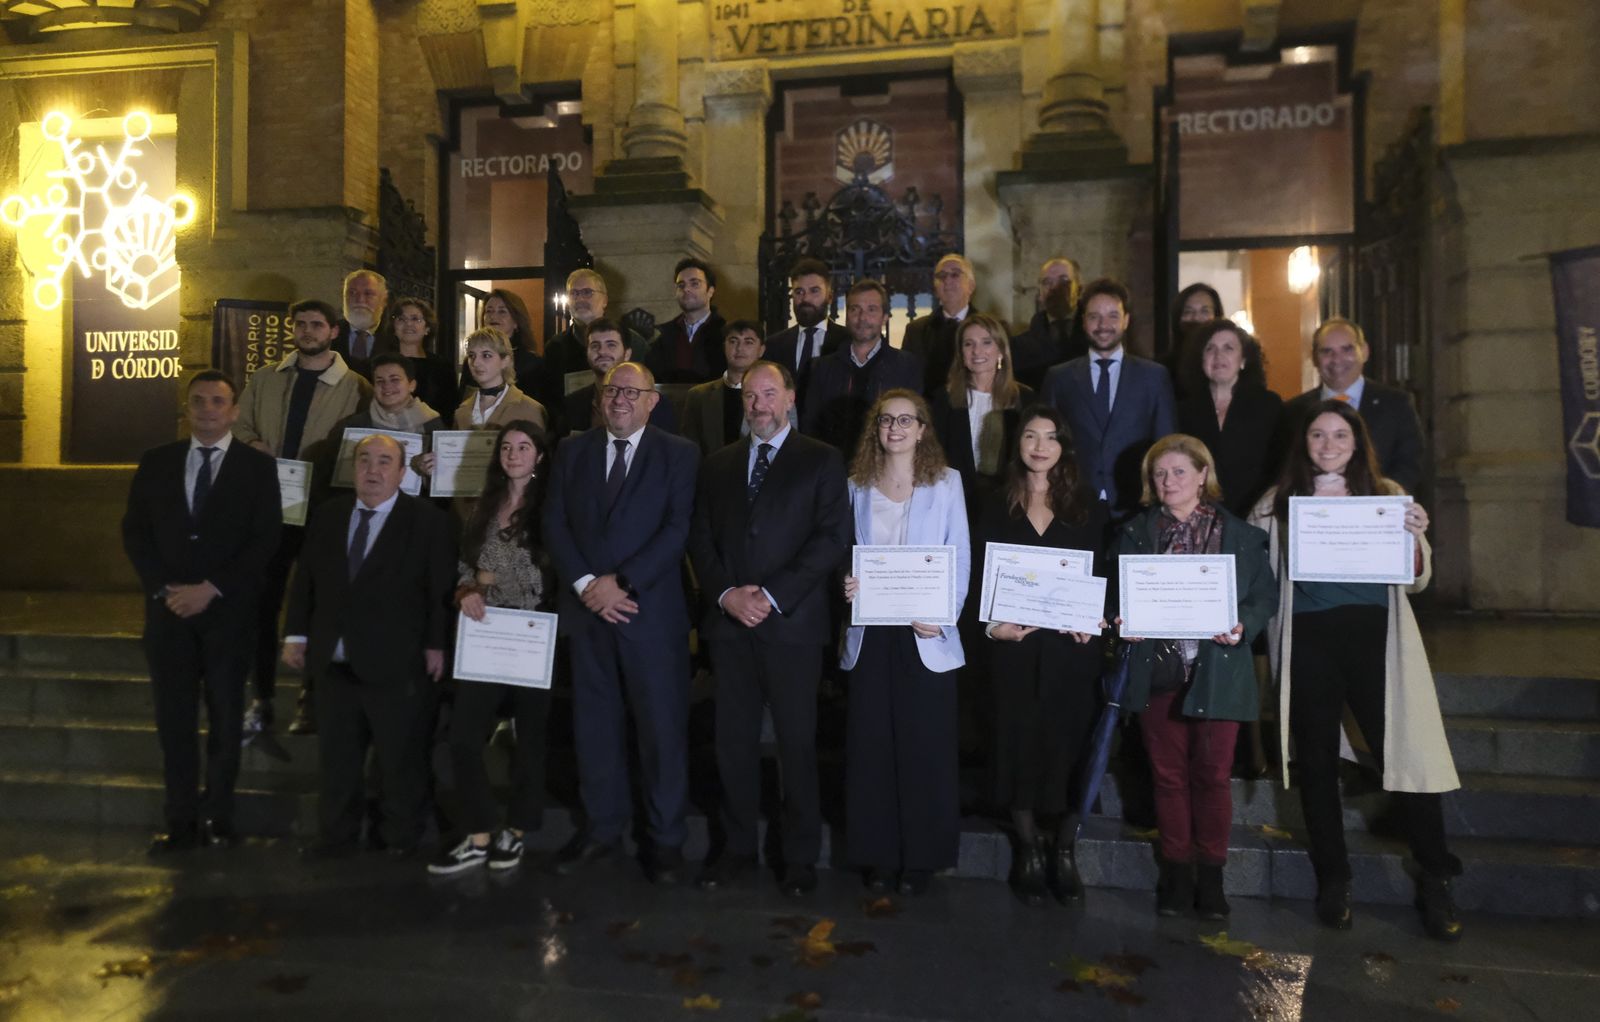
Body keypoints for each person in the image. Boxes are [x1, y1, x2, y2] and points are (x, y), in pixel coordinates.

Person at [1249, 400, 1463, 941]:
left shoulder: (1387, 495)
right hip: (1308, 643)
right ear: (1304, 443)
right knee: (1317, 763)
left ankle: (1435, 875)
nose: (1328, 445)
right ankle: (1334, 878)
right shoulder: (1277, 502)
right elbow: (1253, 570)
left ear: (1357, 441)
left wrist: (1414, 537)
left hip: (1376, 640)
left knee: (1404, 754)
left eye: (1339, 435)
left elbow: (1416, 577)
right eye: (1317, 435)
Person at [687, 360, 852, 896]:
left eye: (768, 393)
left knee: (796, 745)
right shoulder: (717, 464)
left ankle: (799, 857)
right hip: (729, 625)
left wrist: (772, 595)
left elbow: (832, 537)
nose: (758, 404)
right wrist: (726, 594)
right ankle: (737, 848)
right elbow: (699, 538)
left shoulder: (822, 459)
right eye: (750, 396)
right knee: (731, 743)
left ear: (789, 397)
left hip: (792, 626)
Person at [542, 361, 700, 883]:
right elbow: (555, 523)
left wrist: (622, 583)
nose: (620, 400)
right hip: (588, 615)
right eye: (613, 391)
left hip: (649, 615)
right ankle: (601, 830)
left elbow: (678, 529)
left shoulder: (679, 453)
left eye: (633, 392)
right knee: (594, 730)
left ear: (653, 401)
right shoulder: (572, 451)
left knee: (661, 733)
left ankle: (666, 842)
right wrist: (587, 585)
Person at [1111, 434, 1278, 920]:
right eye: (1160, 473)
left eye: (1179, 471)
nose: (1168, 481)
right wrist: (1122, 619)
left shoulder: (1241, 536)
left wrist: (1243, 624)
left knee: (1212, 778)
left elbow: (1264, 597)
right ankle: (1177, 874)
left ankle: (1212, 877)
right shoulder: (1134, 533)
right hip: (1158, 672)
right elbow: (1115, 595)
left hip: (1218, 670)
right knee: (1167, 779)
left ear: (1203, 475)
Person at [122, 371, 282, 854]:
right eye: (199, 401)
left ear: (234, 411)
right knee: (174, 722)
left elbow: (265, 539)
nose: (208, 409)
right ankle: (180, 821)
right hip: (169, 612)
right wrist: (165, 588)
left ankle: (219, 816)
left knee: (226, 720)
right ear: (187, 408)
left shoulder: (257, 468)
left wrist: (212, 589)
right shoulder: (157, 462)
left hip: (228, 616)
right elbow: (135, 533)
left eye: (217, 401)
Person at [282, 434, 457, 858]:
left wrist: (437, 645)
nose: (373, 470)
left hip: (398, 661)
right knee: (337, 759)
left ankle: (400, 837)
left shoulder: (427, 521)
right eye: (364, 460)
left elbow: (439, 590)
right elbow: (305, 579)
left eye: (384, 461)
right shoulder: (329, 515)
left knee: (400, 759)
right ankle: (336, 835)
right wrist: (295, 635)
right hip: (334, 661)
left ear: (401, 472)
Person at [839, 390, 969, 896]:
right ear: (876, 429)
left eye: (905, 420)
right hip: (871, 632)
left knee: (925, 747)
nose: (894, 428)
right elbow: (845, 552)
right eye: (885, 420)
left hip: (925, 633)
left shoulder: (947, 483)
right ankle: (877, 856)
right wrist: (846, 582)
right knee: (871, 746)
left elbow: (959, 555)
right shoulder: (855, 485)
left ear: (922, 430)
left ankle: (922, 859)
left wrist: (943, 616)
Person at [975, 404, 1106, 905]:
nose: (1039, 446)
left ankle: (1065, 848)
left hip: (1071, 653)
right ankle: (1028, 847)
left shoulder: (1089, 507)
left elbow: (1105, 575)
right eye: (1030, 436)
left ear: (1064, 447)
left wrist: (1094, 619)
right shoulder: (993, 504)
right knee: (1015, 745)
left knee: (1070, 746)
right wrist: (993, 627)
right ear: (1018, 444)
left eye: (1051, 437)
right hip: (1013, 649)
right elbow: (976, 578)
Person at [234, 298, 371, 738]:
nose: (307, 331)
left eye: (316, 324)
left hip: (321, 507)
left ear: (334, 332)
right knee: (262, 601)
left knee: (319, 602)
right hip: (269, 505)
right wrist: (252, 445)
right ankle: (261, 696)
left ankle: (310, 696)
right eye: (300, 324)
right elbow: (238, 424)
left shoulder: (356, 386)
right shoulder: (265, 378)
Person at [428, 420, 555, 875]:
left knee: (530, 742)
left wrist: (491, 578)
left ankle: (516, 830)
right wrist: (468, 588)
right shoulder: (482, 505)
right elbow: (467, 566)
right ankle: (479, 831)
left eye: (523, 447)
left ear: (539, 456)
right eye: (506, 447)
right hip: (484, 634)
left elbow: (545, 576)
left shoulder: (551, 507)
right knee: (463, 738)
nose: (513, 454)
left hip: (533, 635)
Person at [1042, 278, 1176, 516]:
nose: (1103, 325)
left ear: (1126, 320)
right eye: (1094, 316)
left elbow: (1166, 445)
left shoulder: (1154, 377)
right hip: (1074, 504)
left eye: (1113, 316)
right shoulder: (1059, 377)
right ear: (1083, 321)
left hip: (1137, 507)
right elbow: (1047, 443)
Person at [1282, 318, 1425, 495]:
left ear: (1364, 352)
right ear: (1315, 358)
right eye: (1327, 351)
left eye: (1347, 349)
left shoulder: (1396, 404)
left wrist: (1383, 500)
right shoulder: (1293, 411)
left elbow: (1410, 463)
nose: (1337, 359)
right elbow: (1286, 469)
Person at [927, 314, 1033, 521]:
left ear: (1001, 350)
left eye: (986, 342)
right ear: (961, 353)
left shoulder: (1025, 399)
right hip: (954, 506)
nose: (977, 351)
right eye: (969, 344)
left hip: (1009, 507)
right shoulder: (943, 399)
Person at [1175, 319, 1284, 517]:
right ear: (1201, 359)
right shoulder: (1183, 410)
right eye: (1210, 348)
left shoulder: (1269, 404)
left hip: (1254, 514)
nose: (1219, 356)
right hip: (1198, 514)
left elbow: (1278, 464)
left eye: (1228, 348)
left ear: (1243, 360)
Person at [801, 279, 922, 455]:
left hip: (886, 464)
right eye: (855, 309)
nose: (862, 317)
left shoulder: (906, 366)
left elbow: (914, 424)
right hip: (834, 466)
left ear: (885, 317)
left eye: (871, 309)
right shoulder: (821, 368)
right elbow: (810, 428)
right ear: (846, 316)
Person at [535, 268, 651, 412]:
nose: (580, 299)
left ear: (605, 300)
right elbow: (549, 402)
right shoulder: (555, 348)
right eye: (574, 293)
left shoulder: (633, 342)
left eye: (587, 292)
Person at [681, 320, 793, 457]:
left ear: (761, 350)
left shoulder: (777, 394)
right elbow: (689, 446)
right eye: (733, 341)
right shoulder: (698, 395)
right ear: (724, 347)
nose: (740, 348)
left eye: (748, 342)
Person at [562, 318, 676, 436]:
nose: (602, 352)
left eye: (611, 345)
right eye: (595, 346)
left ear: (627, 354)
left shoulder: (656, 404)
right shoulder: (572, 403)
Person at [764, 258, 850, 399]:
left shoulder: (847, 341)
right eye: (799, 292)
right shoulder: (774, 345)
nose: (806, 299)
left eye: (814, 291)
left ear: (829, 297)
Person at [900, 254, 978, 396]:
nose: (947, 280)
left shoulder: (990, 329)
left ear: (971, 286)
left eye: (955, 274)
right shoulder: (915, 331)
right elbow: (907, 379)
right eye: (941, 276)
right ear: (935, 289)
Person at [646, 257, 726, 385]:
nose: (686, 289)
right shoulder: (663, 335)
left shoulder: (725, 334)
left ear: (710, 291)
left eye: (695, 283)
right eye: (681, 285)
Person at [1011, 257, 1084, 391]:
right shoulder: (1020, 346)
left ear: (1079, 289)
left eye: (1064, 281)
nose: (1055, 288)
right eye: (1047, 282)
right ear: (1040, 293)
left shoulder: (1096, 338)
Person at [379, 297, 456, 412]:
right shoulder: (381, 364)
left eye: (415, 319)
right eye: (401, 319)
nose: (408, 323)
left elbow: (450, 410)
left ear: (427, 328)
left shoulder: (443, 367)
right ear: (394, 327)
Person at [1164, 282, 1223, 399]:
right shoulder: (1163, 370)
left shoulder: (1227, 366)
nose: (1196, 318)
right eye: (1188, 312)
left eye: (1205, 311)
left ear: (1217, 316)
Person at [334, 269, 388, 381]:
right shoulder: (328, 334)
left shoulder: (396, 339)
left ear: (384, 300)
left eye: (368, 294)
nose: (360, 300)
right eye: (352, 293)